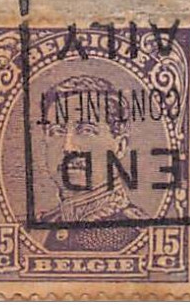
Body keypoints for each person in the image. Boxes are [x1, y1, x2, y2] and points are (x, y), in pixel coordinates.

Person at [34, 74, 148, 250]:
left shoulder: (136, 233)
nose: (68, 147)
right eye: (57, 131)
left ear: (120, 146)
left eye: (86, 130)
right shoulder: (39, 230)